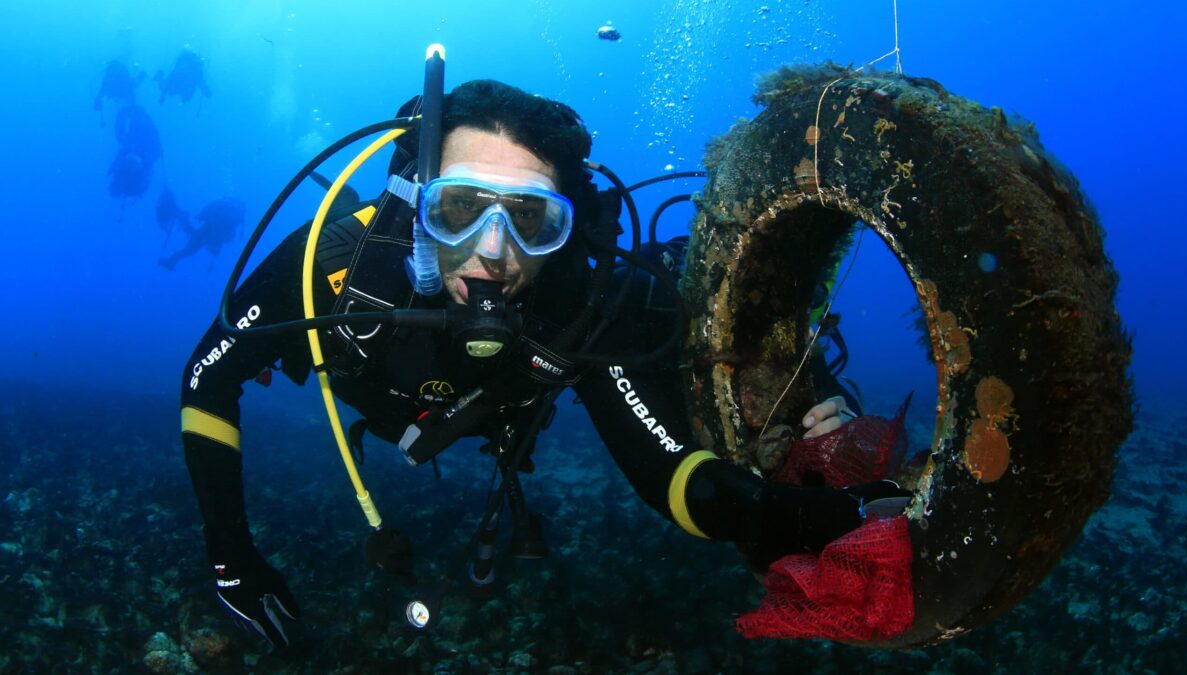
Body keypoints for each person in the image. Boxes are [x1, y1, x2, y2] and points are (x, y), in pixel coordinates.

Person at [180, 79, 903, 648]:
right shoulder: (336, 266)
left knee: (669, 305)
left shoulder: (577, 306)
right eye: (459, 208)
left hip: (513, 398)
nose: (492, 250)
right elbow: (209, 375)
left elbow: (674, 477)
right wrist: (231, 558)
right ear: (417, 205)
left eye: (528, 218)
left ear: (565, 224)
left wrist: (839, 510)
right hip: (388, 392)